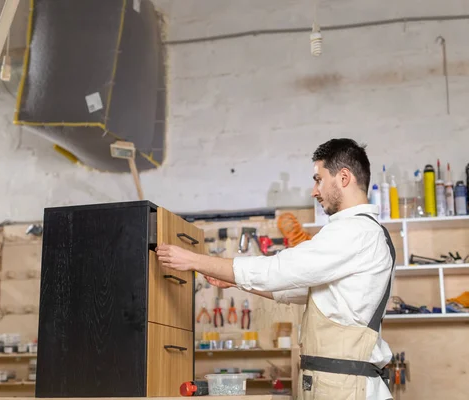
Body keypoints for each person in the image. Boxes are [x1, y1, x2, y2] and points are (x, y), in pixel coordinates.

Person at [156, 138, 396, 400]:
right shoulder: (359, 233)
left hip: (346, 387)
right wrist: (235, 281)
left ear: (344, 177)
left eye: (319, 179)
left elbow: (281, 270)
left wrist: (193, 260)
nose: (314, 191)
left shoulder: (355, 231)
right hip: (339, 383)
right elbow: (299, 289)